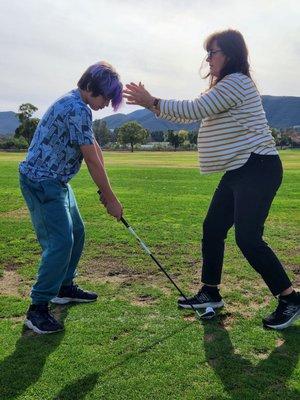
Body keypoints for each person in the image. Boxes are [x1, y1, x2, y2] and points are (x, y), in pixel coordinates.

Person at [123, 29, 300, 330]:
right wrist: (150, 105)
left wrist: (152, 99)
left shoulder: (237, 83)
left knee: (248, 238)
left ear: (229, 54)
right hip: (241, 169)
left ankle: (289, 298)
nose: (208, 59)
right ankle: (210, 293)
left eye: (212, 52)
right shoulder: (224, 88)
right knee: (213, 227)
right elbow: (189, 114)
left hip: (258, 167)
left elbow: (193, 110)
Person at [19, 61, 123, 334]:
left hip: (57, 181)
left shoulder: (78, 104)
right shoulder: (76, 108)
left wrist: (106, 191)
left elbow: (94, 148)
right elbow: (90, 159)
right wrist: (111, 199)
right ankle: (38, 308)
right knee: (60, 242)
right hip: (42, 182)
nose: (105, 104)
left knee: (77, 230)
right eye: (104, 97)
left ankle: (64, 287)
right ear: (90, 87)